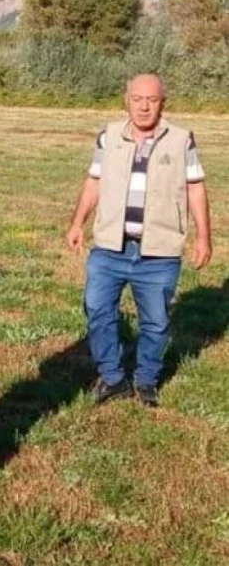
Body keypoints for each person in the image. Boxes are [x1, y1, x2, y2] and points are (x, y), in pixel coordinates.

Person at [66, 74, 211, 408]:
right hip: (109, 248)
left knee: (156, 322)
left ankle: (146, 379)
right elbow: (94, 181)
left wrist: (204, 237)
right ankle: (113, 378)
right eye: (137, 99)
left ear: (163, 102)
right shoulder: (109, 136)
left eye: (152, 100)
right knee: (97, 310)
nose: (144, 107)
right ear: (126, 100)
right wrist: (78, 223)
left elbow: (195, 187)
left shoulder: (181, 140)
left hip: (159, 252)